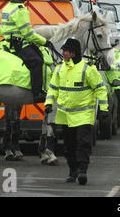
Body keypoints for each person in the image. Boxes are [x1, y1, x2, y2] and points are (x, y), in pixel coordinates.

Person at [44, 38, 108, 185]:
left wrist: (103, 109)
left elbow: (100, 88)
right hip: (65, 116)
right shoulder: (60, 68)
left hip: (84, 115)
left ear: (73, 53)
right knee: (69, 146)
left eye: (65, 50)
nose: (62, 53)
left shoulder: (88, 69)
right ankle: (72, 171)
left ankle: (82, 171)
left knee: (83, 143)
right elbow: (53, 87)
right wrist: (48, 103)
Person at [1, 0, 52, 103]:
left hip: (6, 44)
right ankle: (37, 93)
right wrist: (45, 42)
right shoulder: (20, 10)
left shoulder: (7, 7)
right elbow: (28, 34)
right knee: (37, 61)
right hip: (19, 46)